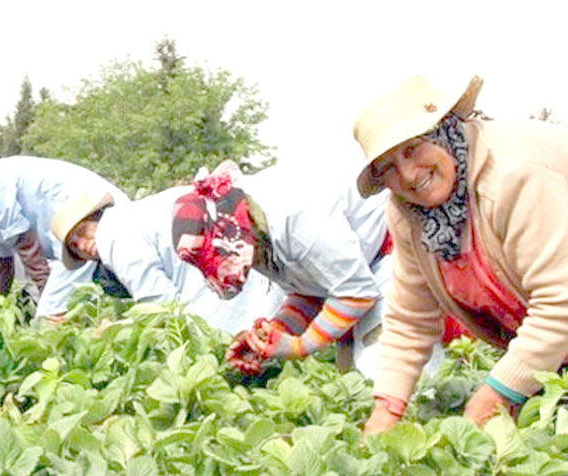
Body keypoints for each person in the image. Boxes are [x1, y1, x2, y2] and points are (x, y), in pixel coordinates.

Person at [353, 74, 568, 432]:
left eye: (412, 148)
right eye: (388, 166)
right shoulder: (409, 212)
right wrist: (386, 412)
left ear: (443, 130)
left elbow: (561, 302)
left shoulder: (514, 176)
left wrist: (495, 395)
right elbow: (410, 320)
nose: (408, 174)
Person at [170, 161, 445, 379]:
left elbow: (356, 293)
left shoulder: (297, 218)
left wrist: (299, 346)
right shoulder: (255, 231)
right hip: (360, 270)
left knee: (386, 367)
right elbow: (309, 291)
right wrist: (273, 334)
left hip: (395, 245)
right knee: (350, 380)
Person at [0, 156, 129, 319]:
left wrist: (49, 305)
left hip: (88, 218)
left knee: (49, 321)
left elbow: (29, 251)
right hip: (73, 233)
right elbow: (3, 258)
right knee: (116, 285)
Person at [51, 186, 286, 335]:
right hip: (253, 262)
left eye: (82, 232)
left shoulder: (112, 236)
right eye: (75, 246)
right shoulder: (134, 215)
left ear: (95, 217)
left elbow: (162, 307)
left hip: (227, 288)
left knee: (228, 352)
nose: (83, 245)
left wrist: (115, 329)